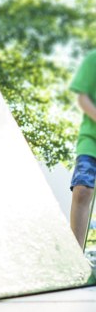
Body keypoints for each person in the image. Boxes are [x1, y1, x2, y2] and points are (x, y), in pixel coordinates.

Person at [70, 50, 96, 249]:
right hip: (91, 140)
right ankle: (76, 253)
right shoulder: (92, 60)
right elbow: (82, 98)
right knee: (82, 190)